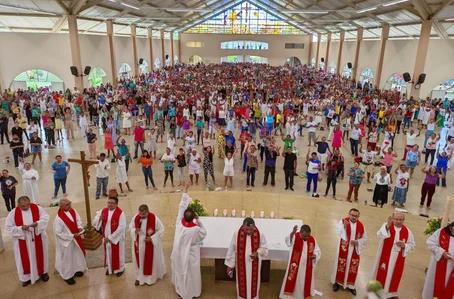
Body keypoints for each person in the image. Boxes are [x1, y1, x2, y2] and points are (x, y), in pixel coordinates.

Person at [171, 181, 207, 299]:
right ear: (194, 217)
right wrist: (199, 220)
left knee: (181, 272)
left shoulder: (179, 223)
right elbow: (203, 233)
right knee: (191, 273)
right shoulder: (195, 229)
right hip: (191, 255)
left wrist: (185, 189)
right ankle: (192, 293)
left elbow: (181, 206)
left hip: (179, 253)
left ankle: (181, 291)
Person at [5, 196, 50, 287]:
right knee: (23, 259)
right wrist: (21, 228)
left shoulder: (37, 208)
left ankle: (43, 273)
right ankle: (26, 278)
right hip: (23, 240)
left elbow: (46, 218)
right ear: (18, 205)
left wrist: (37, 223)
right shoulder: (13, 213)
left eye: (27, 205)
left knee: (41, 255)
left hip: (37, 237)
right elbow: (8, 227)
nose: (26, 207)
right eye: (23, 206)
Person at [371, 212, 415, 299]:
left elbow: (412, 245)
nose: (398, 221)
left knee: (394, 275)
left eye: (400, 220)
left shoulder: (407, 231)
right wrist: (387, 225)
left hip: (397, 259)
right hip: (384, 257)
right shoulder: (387, 226)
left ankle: (390, 294)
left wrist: (404, 246)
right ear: (392, 218)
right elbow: (379, 235)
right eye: (396, 219)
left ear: (403, 220)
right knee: (382, 273)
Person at [225, 217, 268, 299]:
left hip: (254, 265)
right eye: (247, 229)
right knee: (242, 285)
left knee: (254, 286)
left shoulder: (260, 234)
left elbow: (265, 248)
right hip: (241, 265)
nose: (249, 232)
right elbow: (232, 249)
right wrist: (230, 265)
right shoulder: (237, 233)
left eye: (251, 230)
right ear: (243, 226)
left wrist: (257, 253)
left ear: (254, 227)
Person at [331, 208, 367, 296]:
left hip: (354, 249)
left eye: (356, 216)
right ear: (349, 214)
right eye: (352, 215)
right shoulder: (343, 221)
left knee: (352, 267)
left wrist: (358, 242)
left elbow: (365, 239)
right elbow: (338, 231)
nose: (354, 217)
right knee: (340, 264)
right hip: (343, 249)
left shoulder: (361, 226)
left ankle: (351, 286)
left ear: (358, 216)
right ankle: (337, 283)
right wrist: (344, 227)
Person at [279, 224, 321, 299]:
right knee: (295, 281)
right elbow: (288, 242)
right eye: (305, 236)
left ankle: (302, 296)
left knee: (304, 282)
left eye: (308, 235)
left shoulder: (312, 239)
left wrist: (315, 255)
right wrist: (292, 233)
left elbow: (317, 251)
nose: (307, 238)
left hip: (307, 266)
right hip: (295, 266)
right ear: (300, 233)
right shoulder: (295, 236)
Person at [129, 204, 166, 286]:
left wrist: (152, 238)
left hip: (150, 245)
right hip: (139, 245)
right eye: (140, 214)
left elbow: (161, 230)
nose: (141, 216)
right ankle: (139, 277)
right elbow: (130, 227)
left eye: (143, 214)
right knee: (140, 260)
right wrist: (134, 230)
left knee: (150, 261)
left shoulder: (154, 219)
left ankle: (150, 279)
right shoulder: (136, 218)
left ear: (147, 212)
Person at [53, 199, 87, 285]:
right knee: (67, 259)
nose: (70, 205)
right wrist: (71, 236)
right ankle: (67, 276)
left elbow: (78, 219)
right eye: (67, 205)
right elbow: (58, 233)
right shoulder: (58, 219)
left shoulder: (73, 211)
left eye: (69, 203)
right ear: (61, 207)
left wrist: (79, 227)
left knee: (76, 255)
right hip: (67, 242)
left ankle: (76, 270)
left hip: (76, 238)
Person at [93, 197, 127, 277]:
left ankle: (120, 269)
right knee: (108, 253)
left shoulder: (120, 213)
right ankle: (110, 268)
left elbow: (122, 227)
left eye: (112, 203)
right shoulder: (103, 211)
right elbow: (95, 222)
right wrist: (99, 220)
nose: (110, 204)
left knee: (119, 253)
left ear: (116, 204)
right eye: (108, 202)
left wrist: (111, 238)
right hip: (106, 237)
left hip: (116, 238)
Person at [421, 221, 454, 299]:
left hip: (452, 266)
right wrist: (442, 252)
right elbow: (430, 242)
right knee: (434, 285)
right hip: (438, 264)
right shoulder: (441, 232)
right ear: (450, 227)